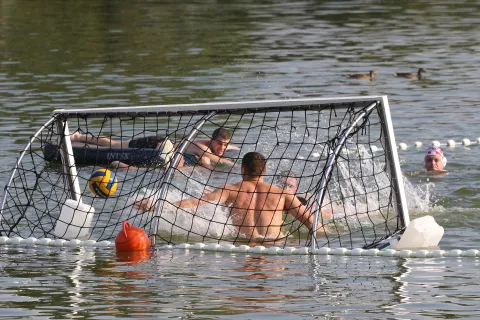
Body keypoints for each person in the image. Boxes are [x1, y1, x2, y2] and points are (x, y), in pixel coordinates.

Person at [136, 152, 328, 240]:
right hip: (277, 248)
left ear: (243, 169)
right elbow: (314, 225)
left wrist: (156, 205)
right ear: (266, 171)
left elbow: (195, 203)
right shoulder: (282, 194)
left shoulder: (229, 190)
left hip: (242, 248)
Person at [71, 127, 239, 170]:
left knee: (115, 143)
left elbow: (227, 146)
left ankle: (79, 137)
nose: (222, 147)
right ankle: (78, 137)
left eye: (225, 144)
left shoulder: (214, 144)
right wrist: (236, 167)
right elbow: (215, 161)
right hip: (157, 145)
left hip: (163, 145)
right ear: (212, 140)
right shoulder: (202, 147)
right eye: (220, 144)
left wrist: (234, 148)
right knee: (114, 144)